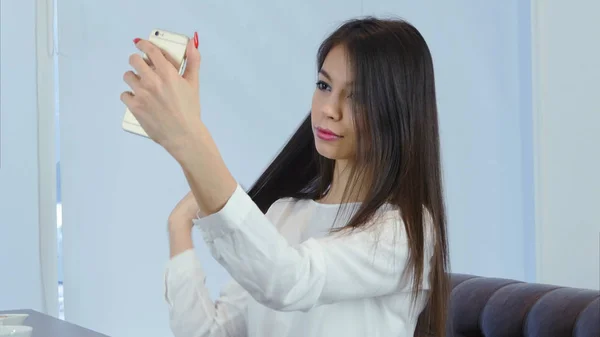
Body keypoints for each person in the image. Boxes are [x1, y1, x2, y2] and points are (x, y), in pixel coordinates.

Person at [121, 16, 450, 337]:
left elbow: (288, 280)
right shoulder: (284, 213)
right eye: (324, 85)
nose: (328, 109)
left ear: (396, 110)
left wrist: (188, 137)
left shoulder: (404, 231)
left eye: (358, 96)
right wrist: (179, 227)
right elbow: (210, 332)